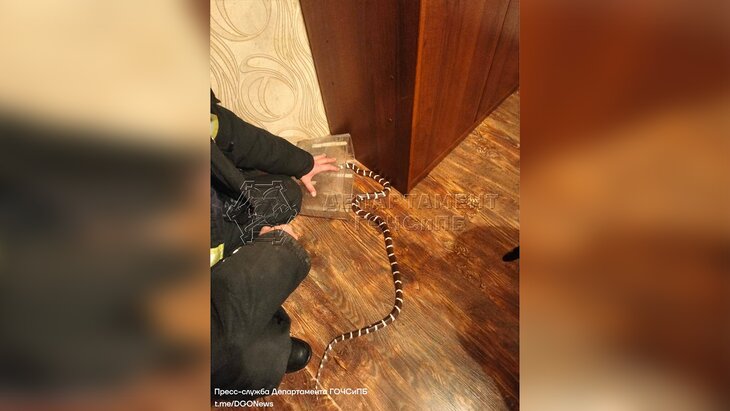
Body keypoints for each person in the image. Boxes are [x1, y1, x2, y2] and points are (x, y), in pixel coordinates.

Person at [210, 90, 337, 400]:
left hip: (213, 226)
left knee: (285, 194)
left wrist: (302, 163)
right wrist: (274, 251)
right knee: (253, 362)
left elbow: (232, 133)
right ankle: (265, 349)